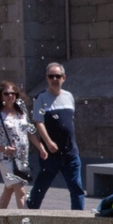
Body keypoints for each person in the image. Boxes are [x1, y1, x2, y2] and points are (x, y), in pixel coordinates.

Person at [27, 62, 86, 210]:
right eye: (51, 76)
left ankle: (79, 219)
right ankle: (30, 212)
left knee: (77, 188)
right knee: (41, 186)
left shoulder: (69, 97)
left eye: (57, 76)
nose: (54, 79)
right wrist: (48, 142)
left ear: (63, 78)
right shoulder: (41, 98)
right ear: (47, 78)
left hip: (71, 153)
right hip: (51, 154)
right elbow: (38, 122)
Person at [0, 81, 44, 209]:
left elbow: (29, 132)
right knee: (20, 190)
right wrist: (3, 149)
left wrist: (40, 148)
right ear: (0, 96)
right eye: (6, 94)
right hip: (5, 158)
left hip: (21, 157)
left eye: (13, 93)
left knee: (9, 188)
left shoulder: (21, 112)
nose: (10, 96)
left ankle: (0, 216)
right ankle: (24, 223)